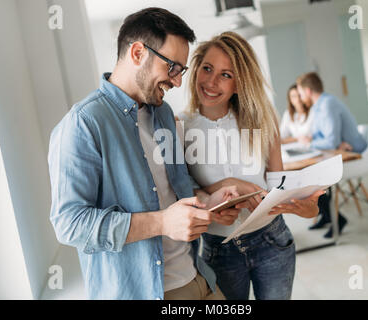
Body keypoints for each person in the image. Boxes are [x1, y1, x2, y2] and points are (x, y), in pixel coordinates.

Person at [48, 8, 242, 300]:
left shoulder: (162, 113)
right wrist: (162, 223)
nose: (177, 81)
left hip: (199, 277)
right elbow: (69, 224)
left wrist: (208, 202)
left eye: (181, 71)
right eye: (172, 67)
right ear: (138, 53)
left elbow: (174, 190)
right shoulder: (83, 124)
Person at [177, 32, 323, 300]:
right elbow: (185, 191)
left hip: (272, 240)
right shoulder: (179, 127)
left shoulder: (263, 120)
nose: (211, 81)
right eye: (207, 68)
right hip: (220, 248)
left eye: (226, 75)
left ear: (239, 83)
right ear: (196, 68)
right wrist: (215, 194)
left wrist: (304, 204)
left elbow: (277, 182)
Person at [296, 72, 367, 238]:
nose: (299, 98)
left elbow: (330, 142)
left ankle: (336, 219)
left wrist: (309, 143)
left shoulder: (327, 104)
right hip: (339, 152)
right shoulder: (318, 106)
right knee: (309, 176)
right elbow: (322, 137)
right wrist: (314, 139)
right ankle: (327, 216)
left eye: (300, 94)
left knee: (312, 177)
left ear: (307, 91)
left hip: (353, 156)